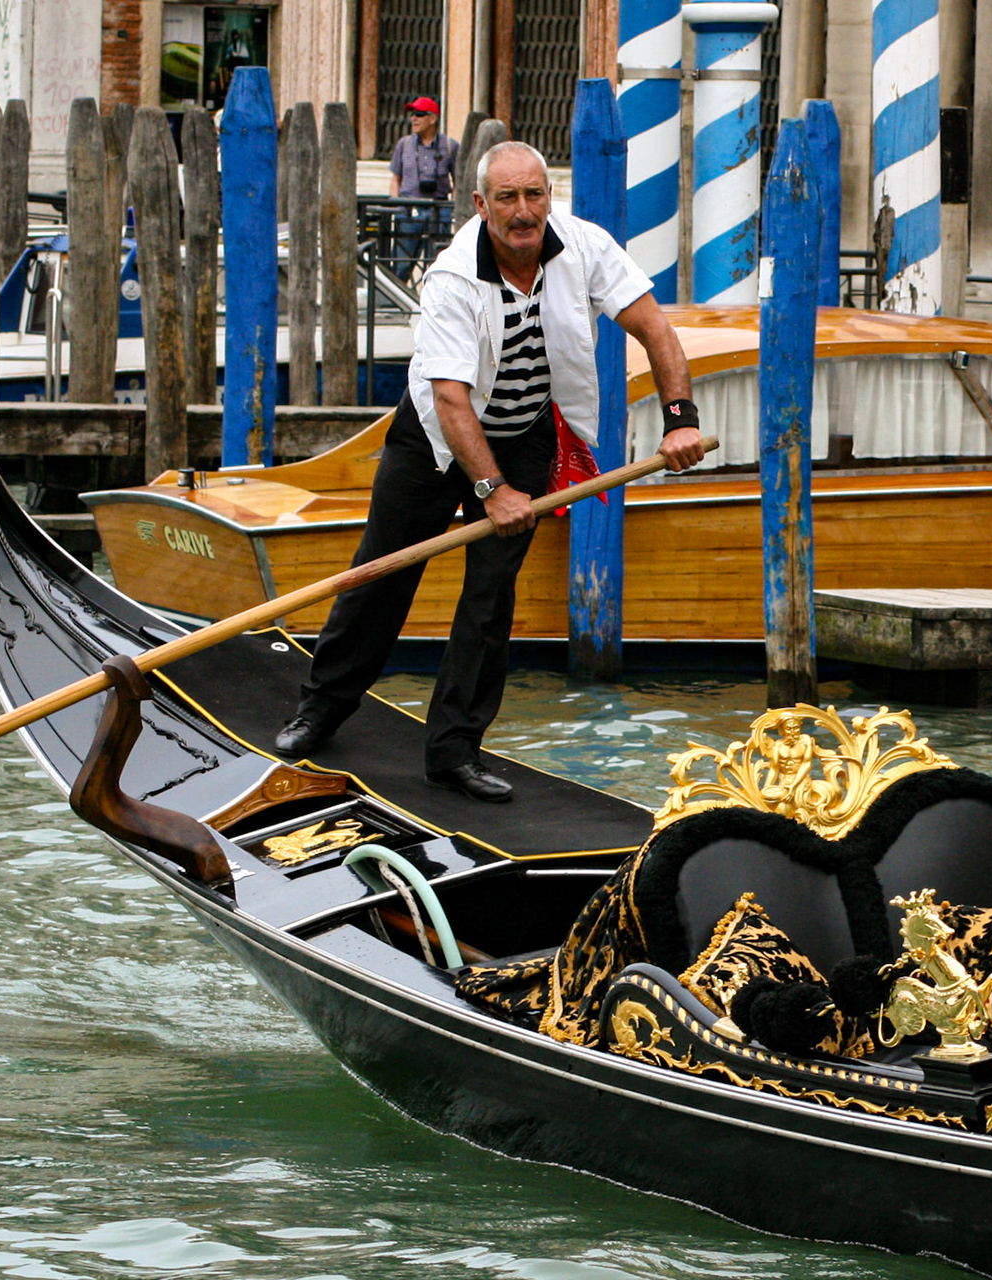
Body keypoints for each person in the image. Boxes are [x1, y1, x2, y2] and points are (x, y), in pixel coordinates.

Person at [274, 140, 704, 802]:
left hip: (524, 434)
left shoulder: (583, 246)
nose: (523, 211)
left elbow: (656, 329)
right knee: (382, 571)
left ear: (548, 198)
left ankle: (453, 751)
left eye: (534, 194)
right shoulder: (451, 278)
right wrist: (492, 491)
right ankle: (322, 708)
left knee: (490, 598)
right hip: (435, 438)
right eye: (507, 198)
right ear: (481, 205)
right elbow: (450, 398)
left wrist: (680, 416)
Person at [389, 97, 458, 281]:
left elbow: (458, 181)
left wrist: (453, 209)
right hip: (409, 212)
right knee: (401, 265)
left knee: (439, 267)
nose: (414, 119)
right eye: (412, 115)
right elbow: (395, 178)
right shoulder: (403, 144)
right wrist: (396, 206)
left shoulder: (450, 146)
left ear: (433, 118)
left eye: (419, 114)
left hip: (439, 211)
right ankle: (395, 306)